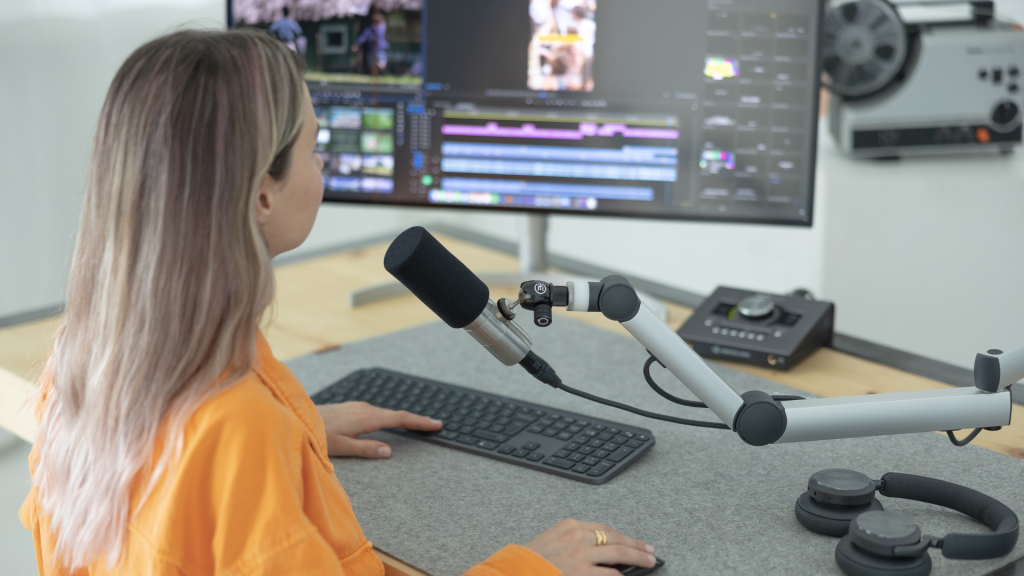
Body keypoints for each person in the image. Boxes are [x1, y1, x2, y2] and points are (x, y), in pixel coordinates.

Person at [19, 29, 658, 575]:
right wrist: (529, 568)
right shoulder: (238, 427)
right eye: (312, 147)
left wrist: (295, 429)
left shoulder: (84, 364)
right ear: (261, 193)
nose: (322, 163)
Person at [352, 9, 389, 76]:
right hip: (373, 49)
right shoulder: (371, 29)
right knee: (373, 65)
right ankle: (375, 71)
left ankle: (377, 66)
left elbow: (383, 23)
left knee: (381, 64)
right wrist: (357, 44)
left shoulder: (381, 28)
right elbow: (363, 37)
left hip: (379, 49)